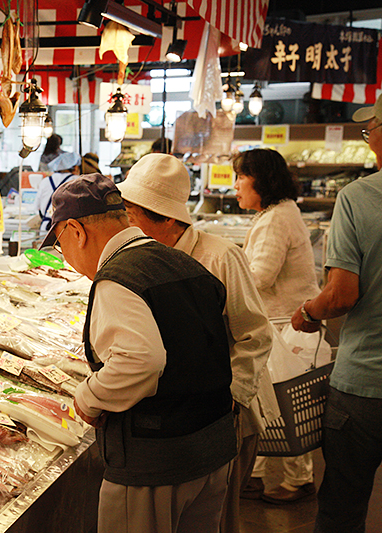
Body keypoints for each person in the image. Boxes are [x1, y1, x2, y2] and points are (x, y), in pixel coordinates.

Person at [42, 173, 237, 533]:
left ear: (76, 231)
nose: (65, 257)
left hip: (157, 464)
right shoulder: (182, 262)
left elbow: (141, 360)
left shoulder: (118, 278)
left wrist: (89, 397)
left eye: (59, 244)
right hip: (211, 451)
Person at [117, 153, 276, 532]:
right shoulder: (142, 258)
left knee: (220, 520)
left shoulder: (220, 257)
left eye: (133, 216)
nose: (126, 226)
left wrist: (232, 396)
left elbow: (255, 334)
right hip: (182, 416)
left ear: (169, 218)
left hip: (230, 410)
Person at [290, 93, 382, 532]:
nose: (368, 142)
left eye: (370, 133)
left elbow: (341, 295)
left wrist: (308, 311)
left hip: (365, 387)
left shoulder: (359, 197)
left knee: (343, 510)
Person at [232, 148, 321, 504]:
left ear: (262, 180)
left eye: (241, 177)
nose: (236, 185)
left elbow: (260, 276)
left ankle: (299, 480)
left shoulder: (275, 218)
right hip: (283, 323)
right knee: (266, 402)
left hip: (289, 325)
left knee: (284, 403)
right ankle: (253, 475)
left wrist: (226, 277)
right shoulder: (277, 213)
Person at [36, 152, 80, 231]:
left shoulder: (45, 181)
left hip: (45, 228)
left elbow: (36, 207)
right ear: (76, 168)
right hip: (66, 229)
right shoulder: (77, 180)